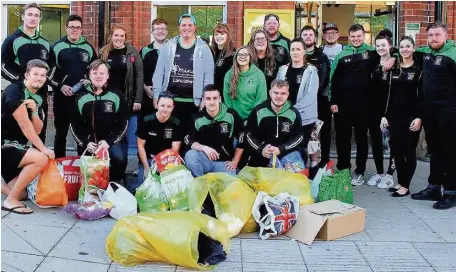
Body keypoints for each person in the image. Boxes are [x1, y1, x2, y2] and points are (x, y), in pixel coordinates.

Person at [329, 24, 394, 186]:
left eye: (359, 36)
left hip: (365, 106)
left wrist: (393, 57)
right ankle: (343, 170)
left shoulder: (371, 52)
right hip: (343, 106)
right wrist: (333, 101)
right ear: (349, 37)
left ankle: (359, 171)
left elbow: (392, 51)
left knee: (361, 140)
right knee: (342, 139)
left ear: (363, 36)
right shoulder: (342, 55)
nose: (356, 39)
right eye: (353, 36)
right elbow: (333, 79)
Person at [410, 22, 456, 209]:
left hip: (450, 112)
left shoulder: (452, 54)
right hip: (430, 112)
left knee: (450, 152)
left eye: (437, 35)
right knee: (435, 150)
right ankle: (434, 187)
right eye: (430, 35)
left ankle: (451, 192)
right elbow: (404, 52)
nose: (434, 38)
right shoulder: (425, 53)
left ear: (446, 36)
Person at [1, 59, 55, 215]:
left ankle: (13, 196)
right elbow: (24, 125)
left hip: (17, 147)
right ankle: (10, 201)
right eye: (36, 74)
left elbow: (37, 130)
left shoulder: (38, 97)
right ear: (26, 75)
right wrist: (43, 148)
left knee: (22, 194)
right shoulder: (14, 90)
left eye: (43, 75)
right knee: (41, 158)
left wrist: (34, 111)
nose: (39, 78)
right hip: (5, 144)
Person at [70, 59, 128, 183]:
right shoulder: (81, 98)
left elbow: (123, 123)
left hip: (111, 140)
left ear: (107, 76)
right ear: (89, 75)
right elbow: (74, 125)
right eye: (95, 73)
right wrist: (85, 143)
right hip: (90, 142)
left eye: (102, 73)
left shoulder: (116, 96)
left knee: (119, 158)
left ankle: (116, 184)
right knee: (91, 176)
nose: (98, 76)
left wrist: (109, 142)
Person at [48, 14, 97, 158]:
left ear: (81, 29)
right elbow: (49, 73)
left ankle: (82, 164)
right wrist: (60, 86)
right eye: (71, 27)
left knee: (82, 132)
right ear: (66, 28)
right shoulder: (57, 47)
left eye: (77, 27)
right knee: (61, 132)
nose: (74, 30)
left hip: (82, 97)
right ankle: (59, 163)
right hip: (62, 97)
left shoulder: (87, 47)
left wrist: (90, 81)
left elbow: (94, 69)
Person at [1, 3, 52, 142]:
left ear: (40, 19)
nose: (33, 18)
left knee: (40, 132)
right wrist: (21, 82)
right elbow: (3, 66)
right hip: (19, 92)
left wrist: (44, 81)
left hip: (40, 93)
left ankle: (40, 161)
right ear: (23, 16)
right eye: (29, 14)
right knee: (17, 130)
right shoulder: (12, 40)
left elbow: (51, 67)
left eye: (36, 15)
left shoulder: (45, 43)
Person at [153, 13, 214, 126]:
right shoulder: (169, 46)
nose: (187, 28)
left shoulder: (204, 48)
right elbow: (159, 72)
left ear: (195, 27)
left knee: (190, 138)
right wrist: (156, 95)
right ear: (179, 27)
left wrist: (206, 97)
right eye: (183, 25)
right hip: (170, 102)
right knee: (172, 138)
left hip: (193, 103)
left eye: (190, 25)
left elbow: (208, 76)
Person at [380, 36, 422, 197]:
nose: (405, 49)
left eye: (408, 46)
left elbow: (422, 96)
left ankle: (405, 185)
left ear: (413, 48)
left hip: (411, 117)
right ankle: (401, 181)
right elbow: (388, 95)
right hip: (394, 117)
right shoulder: (393, 69)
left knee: (408, 151)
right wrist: (384, 116)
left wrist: (419, 117)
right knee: (396, 151)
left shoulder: (419, 69)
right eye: (402, 47)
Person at [100, 25, 144, 156]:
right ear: (111, 36)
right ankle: (106, 161)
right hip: (107, 98)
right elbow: (97, 73)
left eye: (121, 36)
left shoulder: (132, 52)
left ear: (125, 38)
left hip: (125, 99)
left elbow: (139, 75)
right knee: (107, 129)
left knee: (122, 131)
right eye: (116, 35)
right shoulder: (104, 51)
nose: (118, 38)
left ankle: (122, 162)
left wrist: (138, 99)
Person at [184, 84, 244, 177]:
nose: (212, 102)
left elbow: (242, 138)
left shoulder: (231, 115)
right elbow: (188, 140)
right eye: (208, 99)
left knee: (230, 186)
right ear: (203, 100)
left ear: (220, 99)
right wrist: (204, 148)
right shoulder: (197, 118)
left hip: (224, 162)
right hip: (205, 160)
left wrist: (235, 161)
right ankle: (201, 184)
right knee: (190, 156)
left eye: (215, 98)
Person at [276, 39, 319, 165]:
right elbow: (277, 91)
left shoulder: (311, 70)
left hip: (305, 117)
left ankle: (310, 170)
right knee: (290, 147)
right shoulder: (283, 70)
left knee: (306, 147)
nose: (295, 52)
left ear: (304, 52)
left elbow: (310, 95)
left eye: (298, 49)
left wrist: (294, 110)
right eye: (292, 49)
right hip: (286, 116)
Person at [244, 79, 304, 167]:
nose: (279, 96)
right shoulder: (258, 111)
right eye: (276, 93)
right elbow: (248, 134)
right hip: (262, 154)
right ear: (270, 93)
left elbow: (299, 137)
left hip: (286, 155)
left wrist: (281, 149)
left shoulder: (293, 113)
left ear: (287, 95)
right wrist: (261, 149)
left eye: (283, 93)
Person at [133, 92, 183, 192]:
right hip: (149, 159)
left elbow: (174, 150)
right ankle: (141, 168)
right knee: (142, 189)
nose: (165, 109)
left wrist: (163, 168)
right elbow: (140, 145)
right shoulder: (146, 120)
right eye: (162, 105)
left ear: (173, 107)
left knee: (170, 189)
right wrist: (147, 168)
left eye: (169, 106)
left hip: (167, 160)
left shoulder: (176, 123)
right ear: (157, 105)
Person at [365, 34, 396, 188]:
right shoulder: (372, 61)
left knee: (392, 143)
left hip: (392, 109)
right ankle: (379, 172)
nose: (380, 48)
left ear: (390, 46)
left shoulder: (397, 62)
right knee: (376, 141)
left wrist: (394, 57)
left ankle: (390, 175)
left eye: (383, 45)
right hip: (374, 109)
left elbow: (410, 52)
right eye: (377, 45)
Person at [300, 25, 332, 168]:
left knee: (322, 131)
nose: (308, 37)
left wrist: (313, 94)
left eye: (310, 34)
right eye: (305, 34)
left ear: (315, 37)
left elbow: (324, 78)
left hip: (320, 100)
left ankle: (324, 161)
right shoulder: (297, 54)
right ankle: (302, 161)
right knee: (304, 131)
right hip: (301, 101)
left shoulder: (321, 56)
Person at [223, 46, 267, 121]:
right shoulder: (229, 74)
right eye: (239, 54)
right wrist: (233, 116)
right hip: (234, 118)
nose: (242, 57)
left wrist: (251, 119)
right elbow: (227, 99)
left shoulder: (258, 74)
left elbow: (261, 100)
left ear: (250, 57)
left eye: (245, 54)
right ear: (236, 57)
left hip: (253, 118)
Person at [139, 18, 169, 117]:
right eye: (157, 29)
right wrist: (145, 88)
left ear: (167, 31)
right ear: (152, 32)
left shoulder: (174, 49)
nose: (160, 31)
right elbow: (138, 73)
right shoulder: (145, 51)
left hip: (170, 97)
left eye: (163, 29)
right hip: (149, 97)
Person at [211, 23, 236, 97]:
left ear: (228, 36)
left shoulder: (233, 55)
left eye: (222, 34)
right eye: (216, 34)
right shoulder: (212, 53)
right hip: (212, 95)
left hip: (226, 96)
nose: (219, 37)